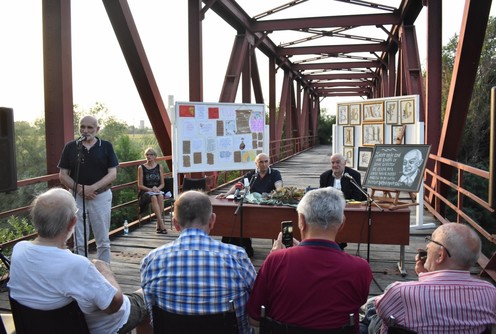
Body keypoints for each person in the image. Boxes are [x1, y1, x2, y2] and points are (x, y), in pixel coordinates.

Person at [7, 188, 152, 334]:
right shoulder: (77, 265)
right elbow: (114, 304)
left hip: (40, 327)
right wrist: (105, 270)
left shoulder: (18, 250)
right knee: (148, 295)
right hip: (104, 326)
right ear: (72, 223)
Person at [246, 187, 372, 330]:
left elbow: (255, 319)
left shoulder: (276, 260)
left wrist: (277, 257)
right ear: (342, 223)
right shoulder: (360, 268)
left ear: (301, 221)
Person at [140, 190, 257, 334]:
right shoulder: (237, 257)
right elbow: (257, 302)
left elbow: (152, 314)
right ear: (212, 220)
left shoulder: (151, 261)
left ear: (176, 224)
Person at [365, 223, 496, 334]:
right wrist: (425, 277)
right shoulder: (491, 293)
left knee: (373, 309)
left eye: (431, 240)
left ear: (440, 255)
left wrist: (422, 281)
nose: (427, 246)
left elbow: (384, 314)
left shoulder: (401, 292)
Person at [58, 115, 119, 263]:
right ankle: (82, 271)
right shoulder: (71, 147)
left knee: (102, 238)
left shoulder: (106, 146)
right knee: (79, 239)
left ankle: (105, 272)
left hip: (101, 196)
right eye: (82, 127)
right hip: (77, 197)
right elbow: (62, 175)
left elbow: (113, 174)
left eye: (90, 127)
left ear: (97, 129)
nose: (85, 131)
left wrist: (92, 188)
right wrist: (79, 189)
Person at [216, 152, 283, 257]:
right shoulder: (251, 175)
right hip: (253, 206)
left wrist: (279, 191)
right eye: (261, 162)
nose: (264, 164)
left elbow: (279, 185)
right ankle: (245, 245)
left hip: (269, 206)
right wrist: (227, 194)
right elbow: (239, 185)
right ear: (256, 163)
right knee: (240, 219)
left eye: (266, 161)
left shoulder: (275, 173)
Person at [137, 147, 168, 234]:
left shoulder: (159, 167)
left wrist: (157, 189)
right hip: (145, 191)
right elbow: (140, 185)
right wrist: (150, 189)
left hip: (157, 190)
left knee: (161, 196)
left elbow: (162, 184)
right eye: (147, 154)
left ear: (155, 156)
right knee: (154, 197)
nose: (149, 156)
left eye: (151, 154)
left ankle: (158, 223)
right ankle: (161, 223)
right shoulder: (141, 167)